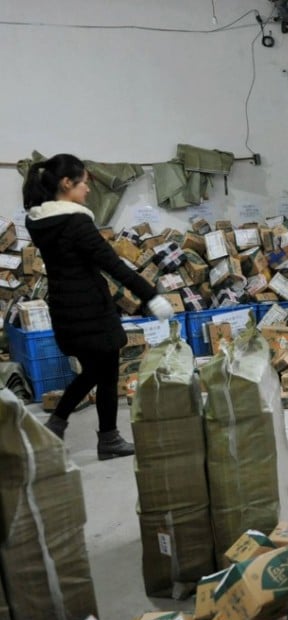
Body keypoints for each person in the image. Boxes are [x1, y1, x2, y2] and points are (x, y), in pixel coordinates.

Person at [23, 154, 174, 460]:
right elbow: (112, 265)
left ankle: (74, 429)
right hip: (90, 310)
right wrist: (151, 296)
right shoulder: (76, 222)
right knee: (101, 373)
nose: (88, 189)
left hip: (65, 309)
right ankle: (96, 436)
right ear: (67, 183)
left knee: (98, 372)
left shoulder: (39, 221)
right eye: (83, 182)